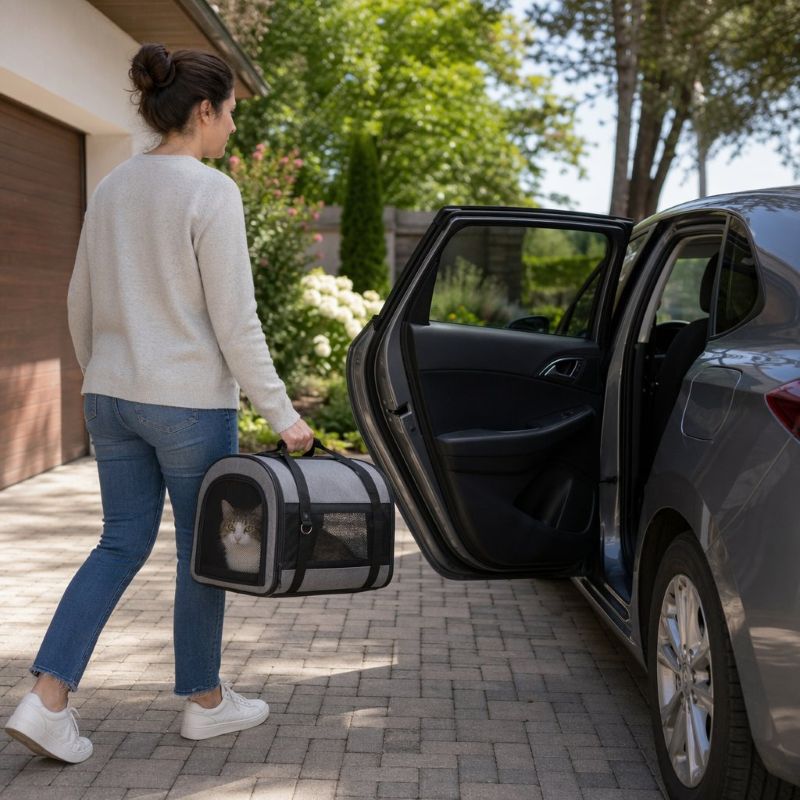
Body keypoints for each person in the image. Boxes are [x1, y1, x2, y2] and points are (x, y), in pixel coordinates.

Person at [3, 43, 314, 763]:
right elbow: (236, 323)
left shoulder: (113, 186)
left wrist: (99, 372)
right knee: (205, 554)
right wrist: (283, 415)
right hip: (186, 406)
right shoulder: (210, 192)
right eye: (231, 112)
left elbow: (79, 298)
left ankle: (48, 700)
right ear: (203, 111)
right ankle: (205, 703)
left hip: (111, 396)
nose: (233, 126)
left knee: (119, 543)